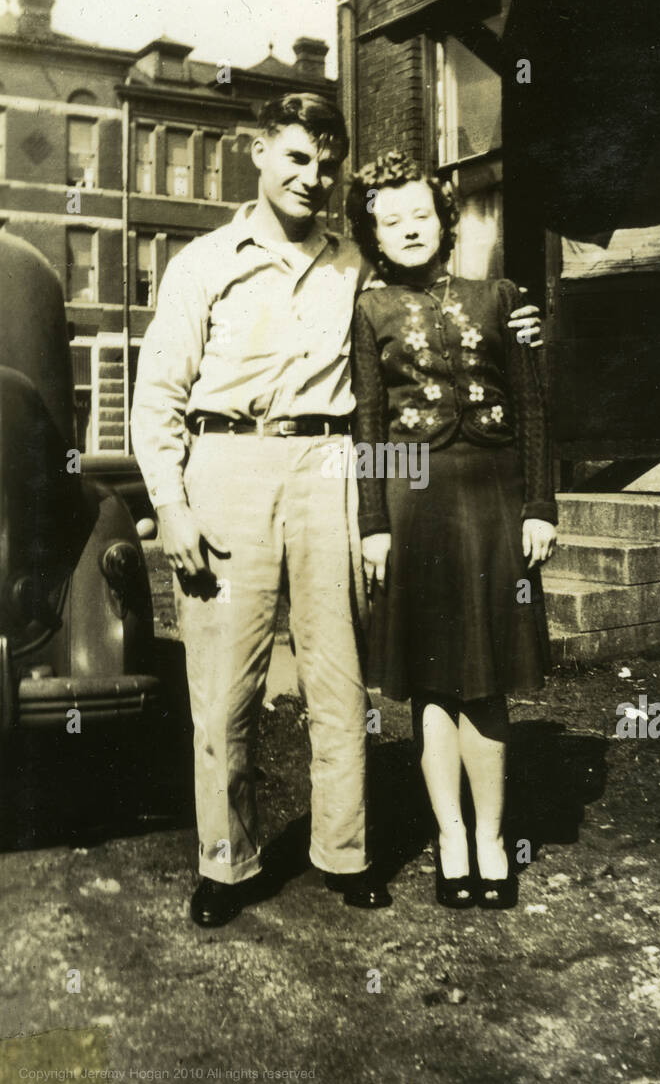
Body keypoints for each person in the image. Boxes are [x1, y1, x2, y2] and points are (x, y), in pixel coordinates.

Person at [131, 95, 542, 928]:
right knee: (223, 683)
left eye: (326, 165)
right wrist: (170, 504)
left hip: (330, 466)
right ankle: (226, 861)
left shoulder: (360, 264)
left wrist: (522, 318)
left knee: (337, 671)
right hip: (227, 465)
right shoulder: (204, 262)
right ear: (257, 153)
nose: (313, 178)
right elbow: (159, 398)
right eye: (295, 159)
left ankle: (346, 853)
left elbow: (437, 304)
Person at [348, 151, 557, 910]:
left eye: (418, 214)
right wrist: (373, 524)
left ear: (443, 218)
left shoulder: (502, 297)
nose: (407, 228)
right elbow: (367, 426)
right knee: (432, 683)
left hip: (497, 503)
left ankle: (494, 837)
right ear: (373, 234)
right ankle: (451, 838)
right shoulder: (369, 311)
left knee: (488, 678)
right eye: (389, 219)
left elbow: (535, 409)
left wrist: (541, 505)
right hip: (414, 503)